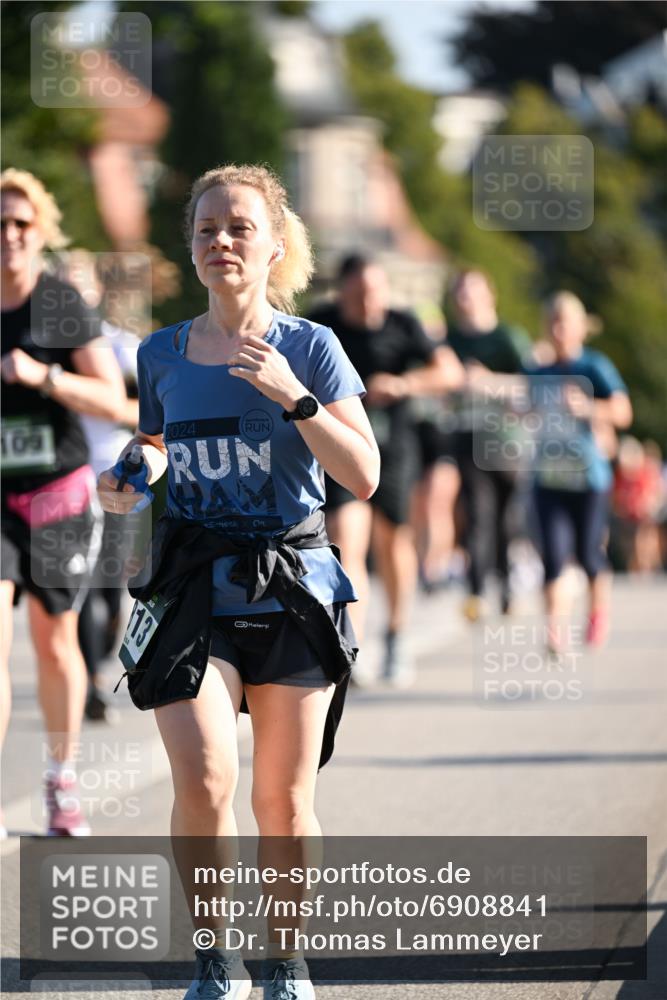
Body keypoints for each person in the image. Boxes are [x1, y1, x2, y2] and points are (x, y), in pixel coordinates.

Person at [97, 164, 379, 1000]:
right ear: (190, 248)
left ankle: (286, 963)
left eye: (239, 227)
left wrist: (297, 401)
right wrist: (132, 469)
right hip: (192, 587)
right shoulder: (162, 351)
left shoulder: (311, 348)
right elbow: (154, 440)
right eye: (206, 228)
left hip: (291, 586)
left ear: (274, 246)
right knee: (206, 776)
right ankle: (215, 961)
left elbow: (362, 474)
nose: (221, 240)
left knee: (282, 805)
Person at [0, 169, 127, 836]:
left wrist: (44, 375)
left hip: (56, 490)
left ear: (40, 232)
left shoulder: (58, 304)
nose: (10, 236)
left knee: (54, 643)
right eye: (0, 224)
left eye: (22, 224)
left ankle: (61, 776)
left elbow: (117, 402)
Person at [309, 256, 462, 686]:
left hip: (394, 448)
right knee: (345, 539)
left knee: (394, 539)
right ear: (342, 294)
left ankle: (396, 634)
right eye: (359, 295)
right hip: (339, 447)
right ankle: (350, 644)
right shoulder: (323, 325)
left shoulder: (403, 323)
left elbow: (450, 372)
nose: (369, 303)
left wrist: (404, 385)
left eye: (376, 293)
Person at [58, 249, 141, 722]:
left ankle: (106, 645)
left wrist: (95, 399)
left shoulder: (121, 347)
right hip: (63, 483)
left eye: (78, 283)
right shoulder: (42, 346)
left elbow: (141, 414)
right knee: (82, 585)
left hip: (115, 478)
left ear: (95, 291)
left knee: (111, 591)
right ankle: (90, 683)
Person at [529, 292, 632, 649]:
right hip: (548, 476)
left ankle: (597, 612)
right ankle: (556, 632)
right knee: (553, 557)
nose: (558, 330)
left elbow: (623, 412)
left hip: (589, 479)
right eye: (553, 323)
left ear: (579, 328)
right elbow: (521, 403)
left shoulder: (594, 366)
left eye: (565, 323)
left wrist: (587, 407)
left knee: (589, 554)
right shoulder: (538, 370)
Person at [446, 268, 531, 621]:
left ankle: (508, 583)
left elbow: (531, 387)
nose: (466, 298)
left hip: (506, 439)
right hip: (468, 435)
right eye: (461, 292)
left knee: (506, 518)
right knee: (476, 514)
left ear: (489, 295)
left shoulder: (508, 338)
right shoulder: (449, 342)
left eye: (473, 291)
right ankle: (477, 591)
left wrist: (487, 381)